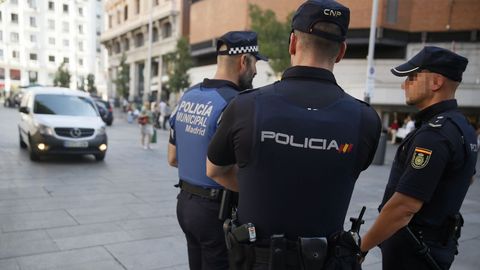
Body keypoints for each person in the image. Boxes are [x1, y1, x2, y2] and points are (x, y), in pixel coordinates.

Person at [206, 1, 382, 269]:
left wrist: (262, 191)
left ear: (292, 43)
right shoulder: (366, 120)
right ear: (341, 52)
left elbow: (215, 171)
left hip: (257, 260)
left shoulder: (245, 106)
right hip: (324, 260)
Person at [360, 46, 478, 270]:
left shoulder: (434, 134)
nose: (405, 84)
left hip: (415, 251)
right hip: (436, 244)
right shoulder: (462, 126)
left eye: (413, 77)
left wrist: (361, 248)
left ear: (436, 82)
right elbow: (467, 177)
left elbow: (404, 207)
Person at [167, 31, 267, 270]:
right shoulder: (238, 103)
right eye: (255, 64)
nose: (256, 71)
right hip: (216, 213)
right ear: (244, 61)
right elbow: (223, 171)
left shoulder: (189, 95)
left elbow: (172, 158)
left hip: (186, 207)